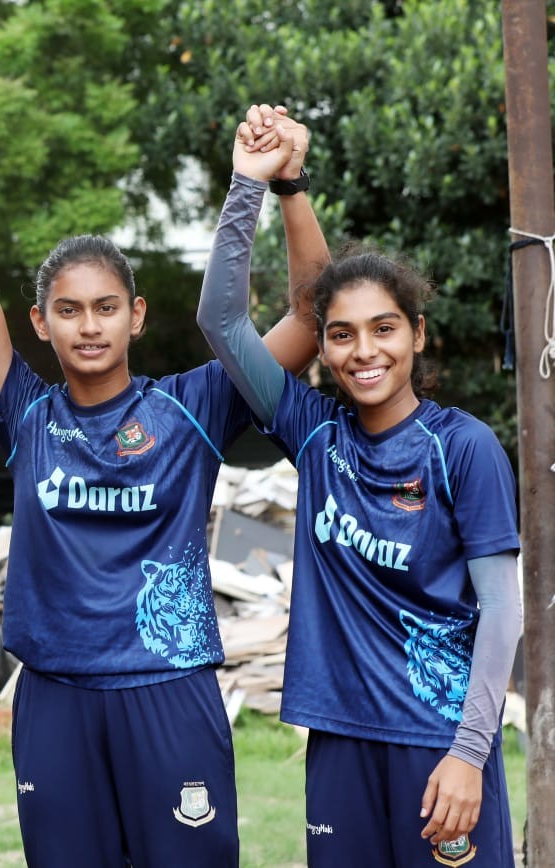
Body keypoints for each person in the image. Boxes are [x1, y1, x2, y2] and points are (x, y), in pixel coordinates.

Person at [0, 68, 328, 867]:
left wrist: (290, 186)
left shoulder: (197, 405)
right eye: (67, 310)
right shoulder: (27, 412)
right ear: (40, 322)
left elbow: (311, 319)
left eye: (106, 307)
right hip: (56, 696)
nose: (88, 326)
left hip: (168, 688)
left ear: (136, 316)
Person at [199, 112, 522, 868]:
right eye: (341, 334)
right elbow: (220, 318)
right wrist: (258, 181)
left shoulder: (463, 448)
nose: (363, 350)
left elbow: (503, 614)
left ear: (417, 333)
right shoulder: (313, 433)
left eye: (384, 329)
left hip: (439, 747)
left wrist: (471, 754)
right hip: (339, 741)